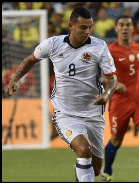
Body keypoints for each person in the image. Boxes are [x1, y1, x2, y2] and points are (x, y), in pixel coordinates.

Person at [4, 6, 118, 182]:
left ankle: (81, 171)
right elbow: (29, 60)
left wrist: (107, 94)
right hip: (66, 113)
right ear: (70, 25)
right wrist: (14, 79)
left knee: (95, 169)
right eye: (83, 27)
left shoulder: (100, 46)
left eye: (90, 27)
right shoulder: (53, 44)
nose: (88, 31)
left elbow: (112, 79)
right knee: (84, 150)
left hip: (94, 114)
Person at [101, 15, 139, 182]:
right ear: (116, 28)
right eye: (122, 25)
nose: (125, 28)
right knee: (116, 140)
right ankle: (108, 170)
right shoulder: (109, 50)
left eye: (128, 25)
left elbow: (137, 67)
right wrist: (115, 85)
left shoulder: (138, 47)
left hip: (138, 97)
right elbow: (101, 76)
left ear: (133, 29)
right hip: (119, 100)